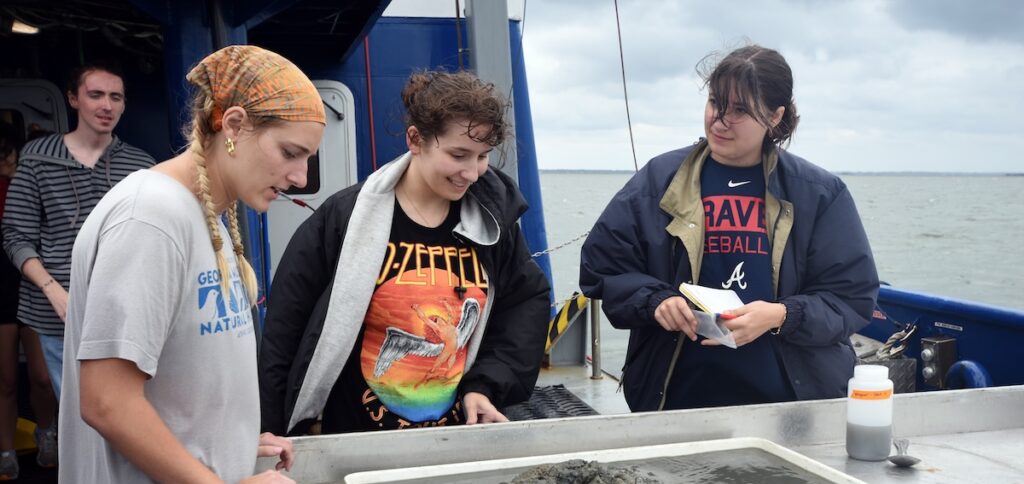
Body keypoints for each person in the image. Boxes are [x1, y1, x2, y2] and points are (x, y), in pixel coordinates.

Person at [47, 45, 321, 484]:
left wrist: (232, 439)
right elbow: (107, 400)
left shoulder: (211, 212)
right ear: (232, 126)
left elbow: (177, 371)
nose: (302, 178)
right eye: (290, 152)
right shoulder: (152, 218)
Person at [580, 45, 879, 412]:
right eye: (715, 102)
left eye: (739, 110)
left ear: (775, 115)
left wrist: (781, 315)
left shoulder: (818, 194)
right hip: (676, 400)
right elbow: (602, 267)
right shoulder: (659, 181)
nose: (720, 120)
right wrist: (656, 301)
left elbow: (852, 297)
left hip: (790, 405)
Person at [259, 70, 550, 436]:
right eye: (458, 154)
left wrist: (486, 385)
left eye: (482, 157)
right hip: (353, 436)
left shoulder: (494, 225)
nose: (472, 173)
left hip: (456, 434)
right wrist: (274, 427)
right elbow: (287, 324)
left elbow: (524, 305)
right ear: (416, 139)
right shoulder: (345, 218)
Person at [1, 61, 155, 413]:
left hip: (125, 312)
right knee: (79, 412)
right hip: (57, 314)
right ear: (73, 99)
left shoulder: (140, 165)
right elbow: (15, 235)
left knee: (128, 410)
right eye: (96, 95)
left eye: (116, 97)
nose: (107, 105)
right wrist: (53, 291)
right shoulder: (38, 159)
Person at [0, 122, 58, 480]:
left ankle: (47, 433)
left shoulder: (31, 184)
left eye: (10, 152)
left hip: (33, 284)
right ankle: (6, 451)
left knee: (41, 376)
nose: (7, 160)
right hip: (2, 288)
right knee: (5, 379)